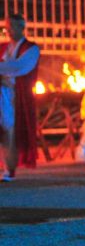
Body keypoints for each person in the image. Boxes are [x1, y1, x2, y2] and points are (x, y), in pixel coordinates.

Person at [0, 14, 40, 181]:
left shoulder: (31, 49)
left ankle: (9, 170)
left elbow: (20, 67)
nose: (8, 31)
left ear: (21, 28)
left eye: (11, 27)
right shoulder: (3, 47)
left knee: (9, 131)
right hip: (2, 92)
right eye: (6, 27)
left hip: (16, 96)